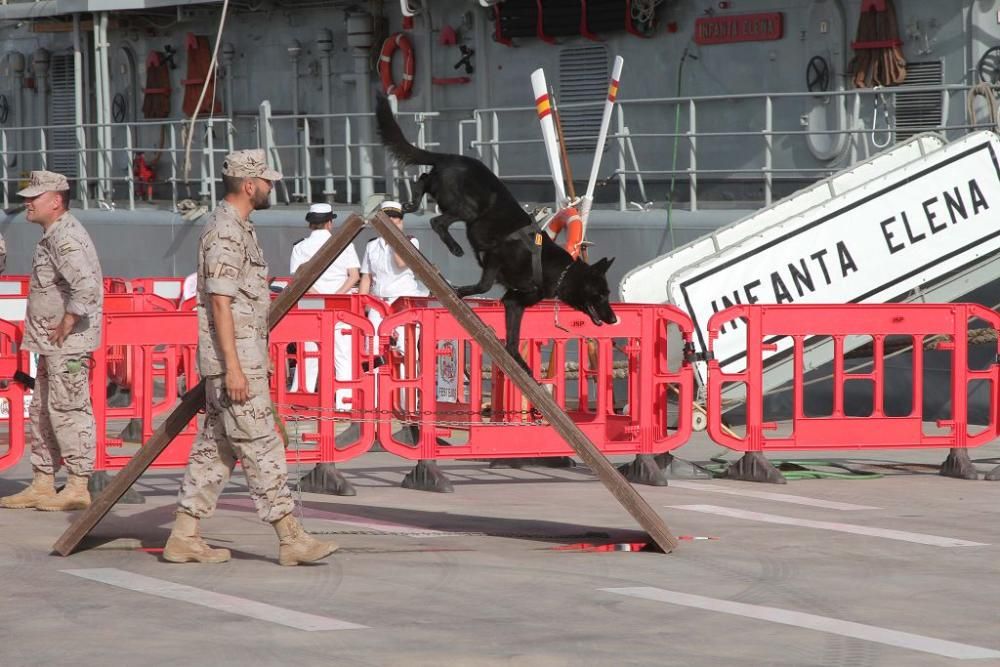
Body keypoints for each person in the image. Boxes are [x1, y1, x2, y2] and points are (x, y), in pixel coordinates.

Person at [163, 149, 336, 566]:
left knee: (217, 449)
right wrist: (234, 369)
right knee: (262, 445)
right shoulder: (226, 231)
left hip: (239, 359)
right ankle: (290, 536)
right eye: (268, 181)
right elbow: (220, 304)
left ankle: (184, 535)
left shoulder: (240, 227)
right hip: (235, 364)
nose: (272, 187)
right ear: (249, 185)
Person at [0, 170, 103, 511]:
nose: (27, 203)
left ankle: (77, 484)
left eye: (35, 197)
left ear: (56, 201)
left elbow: (85, 287)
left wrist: (69, 321)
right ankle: (43, 482)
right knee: (43, 409)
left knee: (69, 410)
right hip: (50, 343)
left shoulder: (66, 238)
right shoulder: (52, 234)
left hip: (68, 344)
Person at [288, 203, 360, 409]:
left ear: (311, 224)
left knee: (308, 354)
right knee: (343, 356)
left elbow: (298, 281)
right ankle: (344, 403)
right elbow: (354, 275)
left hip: (311, 308)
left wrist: (318, 296)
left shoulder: (299, 247)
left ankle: (301, 399)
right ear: (330, 222)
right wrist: (336, 296)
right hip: (341, 308)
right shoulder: (345, 244)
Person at [360, 199, 428, 356]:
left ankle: (408, 381)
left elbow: (401, 262)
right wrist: (361, 307)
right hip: (378, 302)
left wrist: (395, 238)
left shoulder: (411, 242)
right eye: (386, 218)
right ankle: (376, 380)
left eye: (394, 217)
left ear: (401, 221)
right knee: (372, 347)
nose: (391, 221)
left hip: (403, 300)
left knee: (405, 348)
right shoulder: (372, 245)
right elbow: (366, 277)